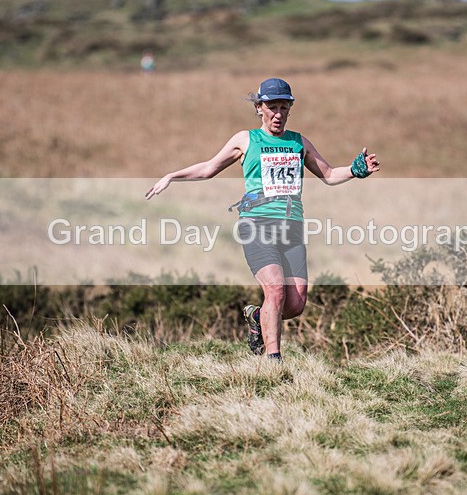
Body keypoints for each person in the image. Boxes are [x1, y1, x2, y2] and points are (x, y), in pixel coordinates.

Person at [145, 78, 379, 361]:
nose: (278, 114)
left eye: (284, 107)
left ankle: (257, 315)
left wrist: (356, 170)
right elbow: (208, 168)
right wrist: (171, 176)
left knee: (294, 304)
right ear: (259, 107)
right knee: (275, 289)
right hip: (256, 224)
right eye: (272, 107)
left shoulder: (299, 142)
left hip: (291, 229)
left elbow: (328, 175)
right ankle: (273, 361)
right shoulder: (246, 140)